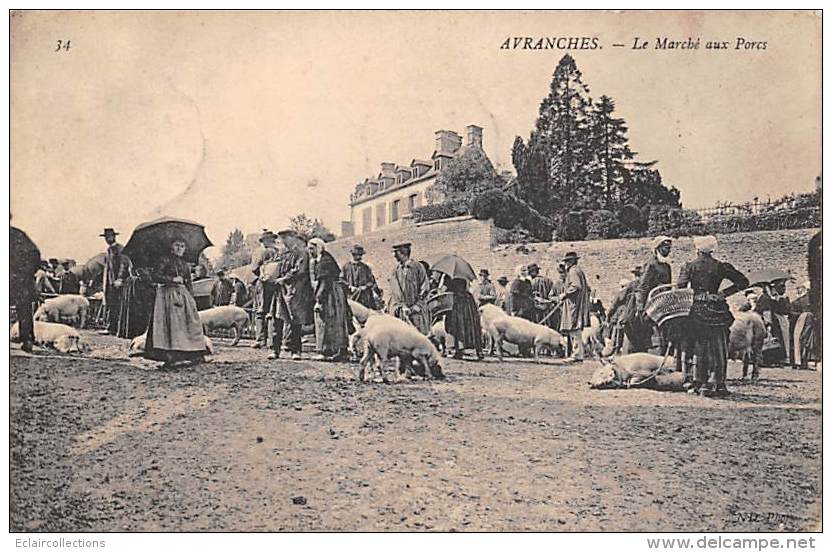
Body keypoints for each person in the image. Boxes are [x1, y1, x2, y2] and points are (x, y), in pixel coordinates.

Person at [677, 235, 748, 397]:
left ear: (697, 250)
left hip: (698, 309)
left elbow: (681, 287)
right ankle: (719, 384)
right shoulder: (721, 266)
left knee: (700, 345)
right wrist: (724, 293)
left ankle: (700, 383)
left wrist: (694, 295)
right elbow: (743, 282)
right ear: (712, 250)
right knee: (720, 346)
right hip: (718, 310)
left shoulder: (689, 266)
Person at [142, 238, 211, 368]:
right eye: (177, 246)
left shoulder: (184, 264)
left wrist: (191, 298)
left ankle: (194, 353)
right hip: (167, 295)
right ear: (171, 247)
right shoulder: (164, 260)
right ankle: (171, 355)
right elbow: (155, 276)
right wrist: (172, 279)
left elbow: (188, 282)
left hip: (182, 295)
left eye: (182, 246)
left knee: (191, 323)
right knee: (172, 325)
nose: (180, 248)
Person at [269, 230, 314, 360]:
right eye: (282, 239)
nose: (283, 241)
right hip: (281, 291)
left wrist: (284, 279)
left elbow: (299, 270)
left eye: (285, 238)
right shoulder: (283, 253)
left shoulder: (302, 253)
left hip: (295, 291)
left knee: (295, 321)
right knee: (277, 320)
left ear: (292, 238)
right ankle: (275, 350)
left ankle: (296, 351)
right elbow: (276, 268)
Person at [307, 238, 353, 361]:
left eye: (312, 248)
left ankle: (327, 351)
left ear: (318, 248)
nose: (309, 251)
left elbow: (324, 282)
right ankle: (339, 350)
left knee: (327, 320)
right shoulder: (321, 259)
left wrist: (319, 300)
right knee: (336, 321)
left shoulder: (325, 261)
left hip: (330, 294)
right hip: (332, 293)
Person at [628, 236, 674, 353]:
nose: (668, 251)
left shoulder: (666, 266)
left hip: (664, 300)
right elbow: (643, 286)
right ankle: (654, 349)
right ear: (657, 248)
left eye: (669, 248)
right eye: (665, 248)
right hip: (653, 300)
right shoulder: (651, 264)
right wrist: (640, 304)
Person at [10, 223, 42, 353]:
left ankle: (27, 339)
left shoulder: (17, 235)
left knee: (24, 310)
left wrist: (24, 274)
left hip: (18, 280)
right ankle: (27, 339)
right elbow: (35, 254)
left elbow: (34, 255)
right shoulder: (20, 235)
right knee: (24, 310)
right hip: (21, 280)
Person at [387, 243, 431, 335]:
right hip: (402, 312)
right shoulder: (395, 270)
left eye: (396, 252)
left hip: (417, 311)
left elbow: (425, 288)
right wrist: (402, 306)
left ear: (404, 252)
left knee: (420, 338)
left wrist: (418, 305)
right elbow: (395, 291)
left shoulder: (418, 267)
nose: (394, 256)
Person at [556, 251, 591, 362]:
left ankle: (576, 355)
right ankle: (578, 353)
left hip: (573, 305)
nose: (566, 264)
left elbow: (576, 286)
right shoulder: (578, 270)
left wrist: (565, 294)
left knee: (574, 328)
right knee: (575, 330)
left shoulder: (573, 271)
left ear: (571, 262)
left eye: (567, 261)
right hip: (576, 303)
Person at [441, 276, 483, 360]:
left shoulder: (448, 277)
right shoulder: (464, 276)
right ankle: (478, 351)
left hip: (456, 302)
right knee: (469, 325)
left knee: (456, 326)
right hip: (467, 301)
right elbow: (467, 288)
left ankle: (459, 350)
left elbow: (443, 290)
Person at [249, 230, 279, 348]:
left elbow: (254, 268)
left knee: (261, 311)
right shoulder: (278, 251)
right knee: (272, 310)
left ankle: (261, 339)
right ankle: (271, 340)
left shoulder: (259, 252)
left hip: (263, 283)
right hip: (274, 284)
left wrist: (263, 274)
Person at [754, 279, 792, 367]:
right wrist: (768, 324)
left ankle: (772, 360)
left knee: (773, 340)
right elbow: (766, 312)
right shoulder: (765, 298)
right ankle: (767, 360)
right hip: (767, 322)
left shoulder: (769, 298)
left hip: (772, 321)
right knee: (770, 340)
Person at [101, 228, 130, 335]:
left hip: (117, 283)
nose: (107, 239)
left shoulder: (120, 249)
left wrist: (120, 278)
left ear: (114, 237)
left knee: (117, 305)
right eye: (106, 237)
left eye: (109, 237)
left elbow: (124, 264)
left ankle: (115, 328)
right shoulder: (109, 250)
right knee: (110, 304)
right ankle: (110, 326)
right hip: (109, 283)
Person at [117, 262, 155, 340]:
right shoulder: (136, 258)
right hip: (137, 284)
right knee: (137, 309)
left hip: (133, 283)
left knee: (136, 309)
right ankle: (135, 332)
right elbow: (139, 272)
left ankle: (132, 331)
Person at [342, 244, 380, 309]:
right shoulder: (346, 267)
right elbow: (341, 280)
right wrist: (349, 286)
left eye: (361, 255)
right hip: (352, 297)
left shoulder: (365, 267)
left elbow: (372, 281)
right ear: (353, 255)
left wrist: (365, 286)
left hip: (365, 298)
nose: (360, 257)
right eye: (358, 255)